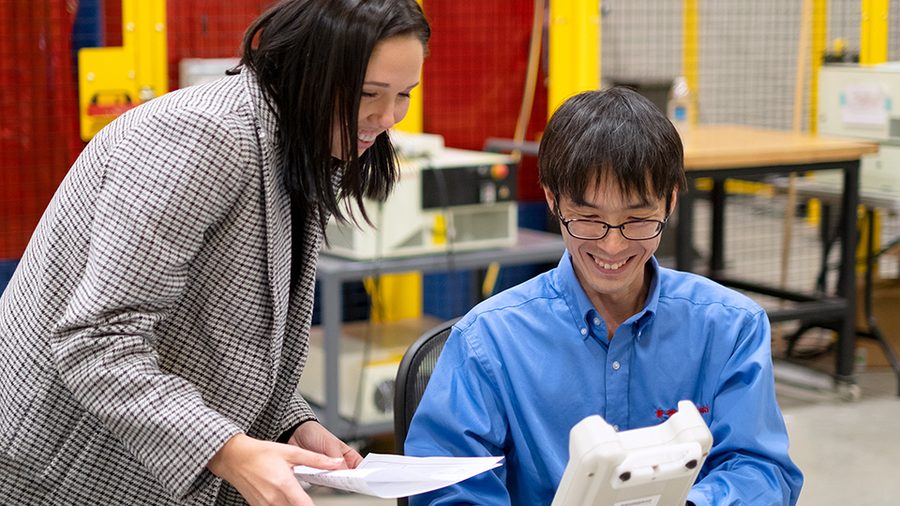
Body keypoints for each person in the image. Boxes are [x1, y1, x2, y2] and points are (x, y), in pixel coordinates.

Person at [0, 0, 429, 504]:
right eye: (367, 94)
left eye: (403, 95)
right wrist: (228, 450)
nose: (387, 117)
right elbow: (97, 339)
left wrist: (290, 421)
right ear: (308, 66)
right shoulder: (205, 137)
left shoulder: (302, 140)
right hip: (64, 465)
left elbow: (238, 330)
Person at [404, 87, 803, 505]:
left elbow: (762, 470)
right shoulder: (487, 343)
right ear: (552, 200)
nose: (612, 247)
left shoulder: (730, 328)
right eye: (589, 219)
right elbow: (447, 490)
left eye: (637, 219)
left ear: (669, 201)